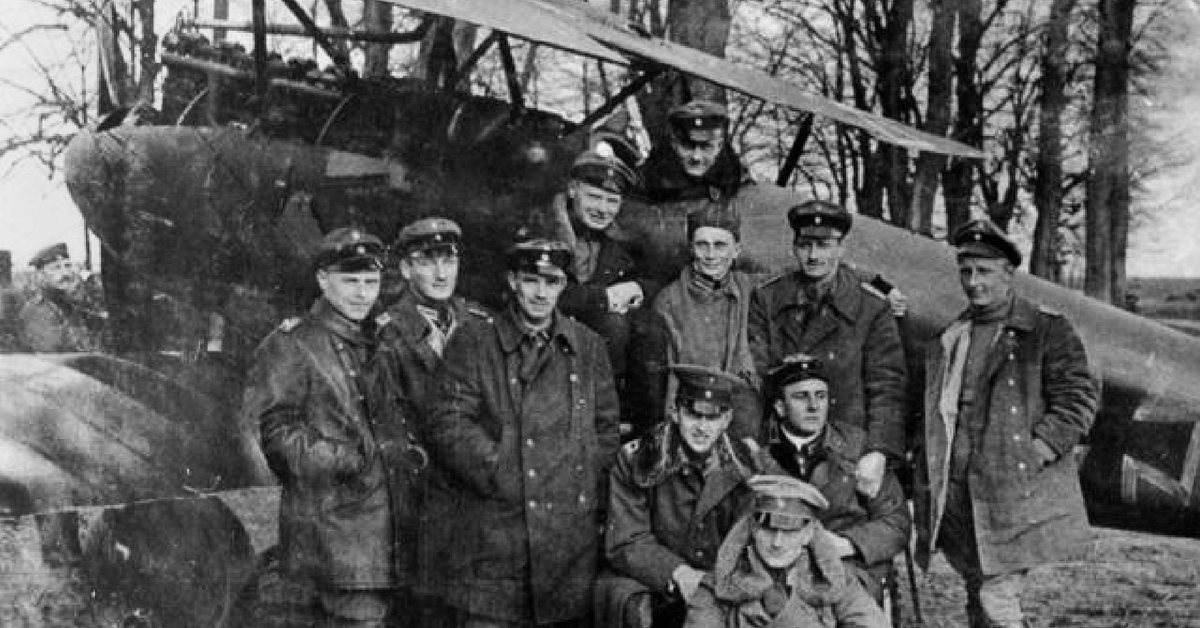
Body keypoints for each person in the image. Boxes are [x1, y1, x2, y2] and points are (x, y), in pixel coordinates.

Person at [422, 236, 620, 628]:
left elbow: (606, 429)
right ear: (513, 281)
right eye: (531, 280)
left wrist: (576, 475)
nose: (541, 293)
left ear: (564, 285)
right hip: (497, 533)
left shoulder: (588, 346)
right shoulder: (475, 341)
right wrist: (499, 467)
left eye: (552, 282)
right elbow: (448, 421)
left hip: (564, 540)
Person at [915, 219, 1098, 628]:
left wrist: (1038, 449)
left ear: (1008, 273)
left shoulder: (1045, 328)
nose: (973, 282)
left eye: (984, 271)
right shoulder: (956, 333)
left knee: (997, 597)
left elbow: (1079, 398)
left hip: (1012, 487)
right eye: (966, 271)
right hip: (962, 489)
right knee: (976, 585)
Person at [244, 227, 418, 628]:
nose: (362, 294)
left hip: (386, 536)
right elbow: (277, 435)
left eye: (371, 282)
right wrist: (347, 460)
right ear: (323, 280)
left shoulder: (381, 339)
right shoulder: (293, 343)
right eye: (350, 281)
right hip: (334, 536)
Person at [375, 217, 491, 628]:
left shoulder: (480, 321)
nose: (442, 273)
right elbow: (389, 422)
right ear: (406, 269)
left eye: (450, 260)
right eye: (428, 261)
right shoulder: (388, 335)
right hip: (423, 494)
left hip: (478, 485)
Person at [747, 200, 906, 499]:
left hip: (846, 452)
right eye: (805, 245)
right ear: (794, 248)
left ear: (841, 248)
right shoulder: (767, 299)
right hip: (782, 450)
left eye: (824, 245)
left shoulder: (871, 309)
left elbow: (888, 386)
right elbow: (753, 375)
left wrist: (880, 452)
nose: (814, 255)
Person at [599, 364, 757, 628]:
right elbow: (626, 541)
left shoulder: (747, 466)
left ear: (727, 420)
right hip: (658, 584)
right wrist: (677, 573)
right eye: (693, 414)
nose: (701, 428)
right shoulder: (639, 459)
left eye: (713, 418)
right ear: (675, 412)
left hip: (720, 585)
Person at [760, 356, 910, 604]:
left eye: (820, 396)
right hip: (780, 577)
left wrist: (846, 544)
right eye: (801, 397)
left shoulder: (857, 448)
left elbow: (897, 524)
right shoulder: (762, 456)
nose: (813, 406)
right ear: (780, 407)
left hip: (849, 571)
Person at [684, 475, 888, 628]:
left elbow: (869, 622)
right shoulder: (720, 582)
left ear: (808, 533)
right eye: (768, 530)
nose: (777, 543)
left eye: (790, 532)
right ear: (753, 529)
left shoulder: (834, 581)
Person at [647, 205, 760, 438]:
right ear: (691, 248)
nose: (710, 255)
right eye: (702, 245)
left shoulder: (748, 288)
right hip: (693, 416)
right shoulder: (669, 301)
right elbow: (668, 378)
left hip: (740, 415)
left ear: (736, 250)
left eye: (720, 246)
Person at [639, 100, 752, 204]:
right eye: (687, 146)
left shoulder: (738, 184)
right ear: (674, 144)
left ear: (720, 146)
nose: (696, 157)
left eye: (706, 147)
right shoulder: (647, 183)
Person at [17, 243, 106, 352]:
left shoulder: (69, 303)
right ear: (41, 276)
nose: (65, 273)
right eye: (56, 268)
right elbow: (53, 358)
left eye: (68, 266)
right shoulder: (38, 311)